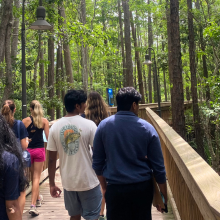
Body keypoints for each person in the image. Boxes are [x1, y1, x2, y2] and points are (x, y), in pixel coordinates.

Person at [92, 87, 167, 220]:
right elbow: (159, 168)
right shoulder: (147, 128)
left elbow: (97, 163)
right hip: (142, 188)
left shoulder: (103, 127)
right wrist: (163, 195)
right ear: (134, 105)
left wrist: (104, 187)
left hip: (115, 189)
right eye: (138, 104)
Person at [47, 89, 102, 220]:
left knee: (74, 216)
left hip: (68, 183)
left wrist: (52, 184)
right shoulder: (89, 125)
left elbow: (51, 159)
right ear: (77, 106)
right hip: (89, 181)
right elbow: (98, 154)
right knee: (92, 217)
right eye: (84, 103)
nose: (86, 106)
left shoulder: (54, 127)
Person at [22, 100, 50, 216]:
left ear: (30, 109)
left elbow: (21, 137)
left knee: (33, 177)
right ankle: (33, 205)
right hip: (39, 151)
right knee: (36, 178)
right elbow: (48, 138)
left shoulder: (25, 121)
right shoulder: (44, 121)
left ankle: (38, 198)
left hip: (28, 152)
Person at [1, 100, 29, 214]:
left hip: (0, 161)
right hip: (16, 162)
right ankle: (18, 215)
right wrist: (27, 141)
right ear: (14, 110)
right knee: (21, 190)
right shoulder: (19, 124)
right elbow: (23, 146)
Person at [84, 92, 109, 220]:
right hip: (103, 151)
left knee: (93, 182)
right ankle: (101, 212)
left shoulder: (84, 117)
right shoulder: (106, 116)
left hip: (88, 152)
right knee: (103, 182)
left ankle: (92, 210)